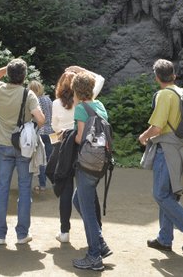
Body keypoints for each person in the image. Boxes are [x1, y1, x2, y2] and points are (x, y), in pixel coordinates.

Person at [138, 59, 183, 253]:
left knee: (160, 194)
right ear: (173, 75)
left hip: (167, 150)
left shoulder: (164, 95)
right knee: (169, 195)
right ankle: (164, 239)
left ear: (157, 77)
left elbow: (157, 127)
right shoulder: (182, 92)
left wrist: (143, 137)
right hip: (180, 147)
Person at [0, 59, 45, 246]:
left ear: (10, 74)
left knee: (2, 188)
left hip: (4, 145)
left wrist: (7, 68)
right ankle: (22, 235)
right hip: (24, 148)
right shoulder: (28, 95)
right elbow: (41, 119)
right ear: (24, 76)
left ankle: (0, 235)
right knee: (24, 189)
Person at [50, 67, 104, 244]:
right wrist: (79, 70)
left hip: (64, 149)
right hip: (84, 151)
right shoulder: (89, 101)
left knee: (65, 190)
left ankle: (64, 232)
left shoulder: (56, 104)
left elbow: (54, 127)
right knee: (89, 191)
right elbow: (100, 79)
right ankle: (98, 229)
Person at [70, 71, 111, 271]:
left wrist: (66, 136)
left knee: (86, 210)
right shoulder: (100, 106)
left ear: (76, 90)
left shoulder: (80, 109)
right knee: (78, 200)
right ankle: (100, 243)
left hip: (86, 164)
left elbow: (80, 138)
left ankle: (94, 256)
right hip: (100, 163)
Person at [31, 80, 53, 192]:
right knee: (51, 159)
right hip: (51, 131)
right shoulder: (48, 99)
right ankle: (56, 183)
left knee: (41, 160)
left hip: (40, 132)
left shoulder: (34, 101)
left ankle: (42, 184)